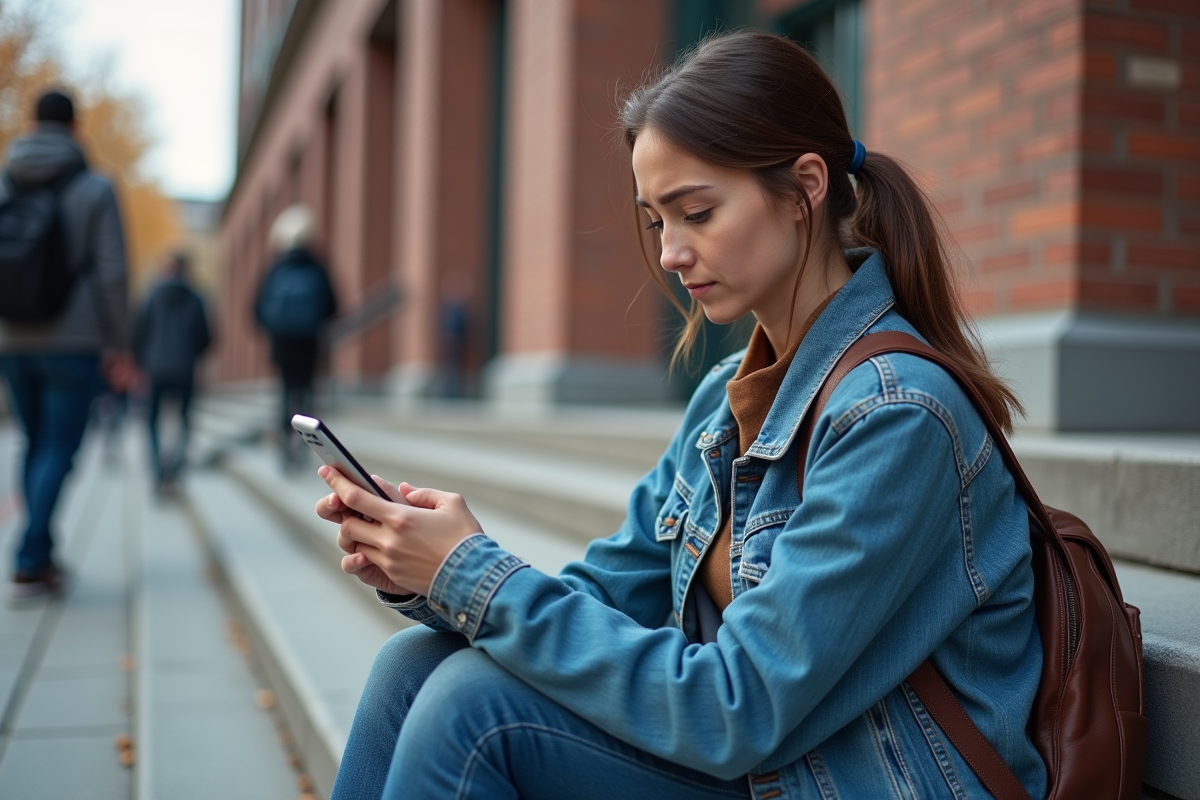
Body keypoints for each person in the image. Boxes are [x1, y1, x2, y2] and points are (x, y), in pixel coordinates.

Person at [316, 31, 1044, 800]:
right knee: (412, 669)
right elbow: (608, 592)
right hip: (771, 762)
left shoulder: (899, 416)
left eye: (695, 212)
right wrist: (429, 571)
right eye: (658, 220)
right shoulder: (727, 397)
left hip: (858, 777)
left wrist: (478, 579)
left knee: (474, 714)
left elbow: (737, 707)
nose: (669, 252)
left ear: (804, 188)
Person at [0, 90, 131, 604]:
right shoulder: (94, 186)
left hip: (11, 337)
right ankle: (32, 556)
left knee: (35, 443)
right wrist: (120, 344)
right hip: (73, 338)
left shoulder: (6, 178)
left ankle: (41, 551)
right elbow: (112, 272)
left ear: (32, 125)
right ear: (76, 128)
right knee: (58, 447)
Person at [254, 204, 336, 470]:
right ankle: (305, 448)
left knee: (285, 394)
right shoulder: (317, 266)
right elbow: (334, 305)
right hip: (309, 345)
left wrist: (274, 328)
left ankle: (283, 449)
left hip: (283, 346)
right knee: (307, 395)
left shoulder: (275, 268)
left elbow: (255, 308)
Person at [133, 250, 211, 493]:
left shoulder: (151, 296)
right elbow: (206, 337)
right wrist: (192, 355)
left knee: (153, 420)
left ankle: (158, 466)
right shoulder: (196, 298)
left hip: (155, 368)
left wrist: (142, 361)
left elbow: (138, 333)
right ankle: (175, 466)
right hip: (185, 368)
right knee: (184, 419)